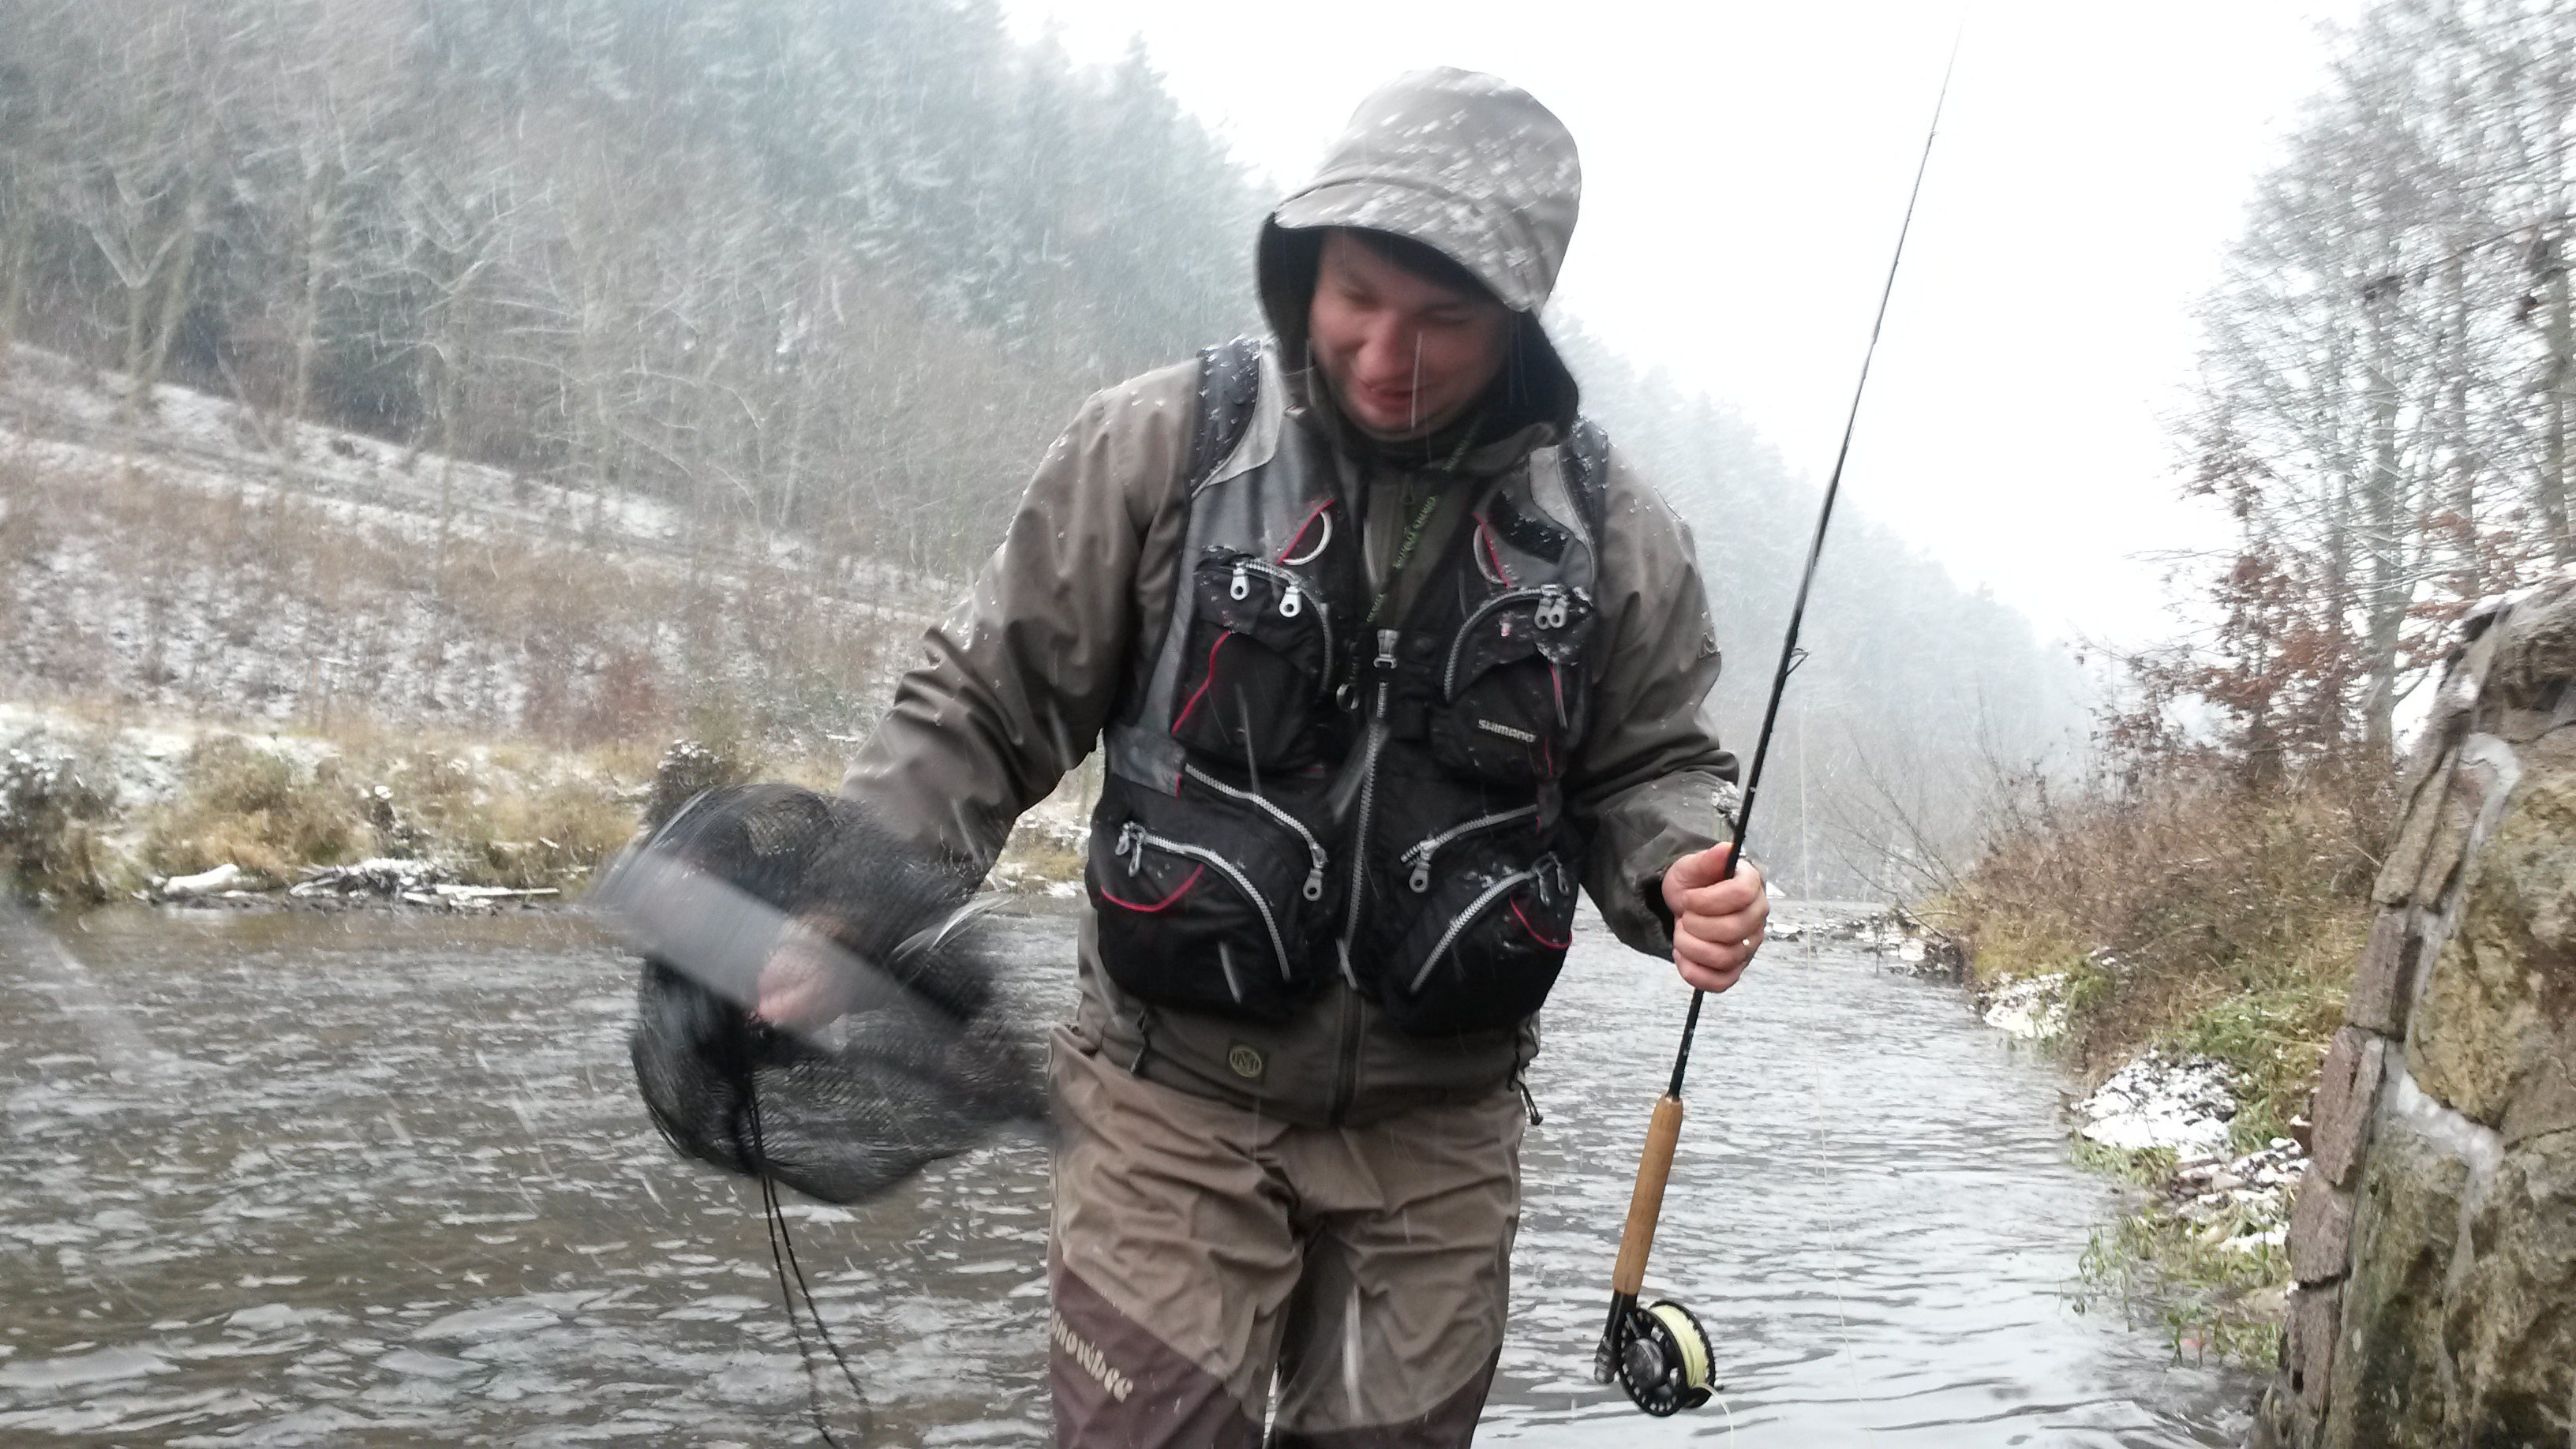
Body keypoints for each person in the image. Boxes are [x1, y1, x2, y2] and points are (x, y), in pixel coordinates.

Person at [762, 67, 1767, 1448]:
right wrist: (851, 904)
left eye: (1444, 321)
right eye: (1356, 296)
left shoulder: (1613, 533)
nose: (1385, 352)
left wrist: (1680, 876)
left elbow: (1649, 767)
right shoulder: (1161, 449)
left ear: (1519, 319)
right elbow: (986, 701)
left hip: (1440, 1141)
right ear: (1307, 269)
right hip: (1165, 1107)